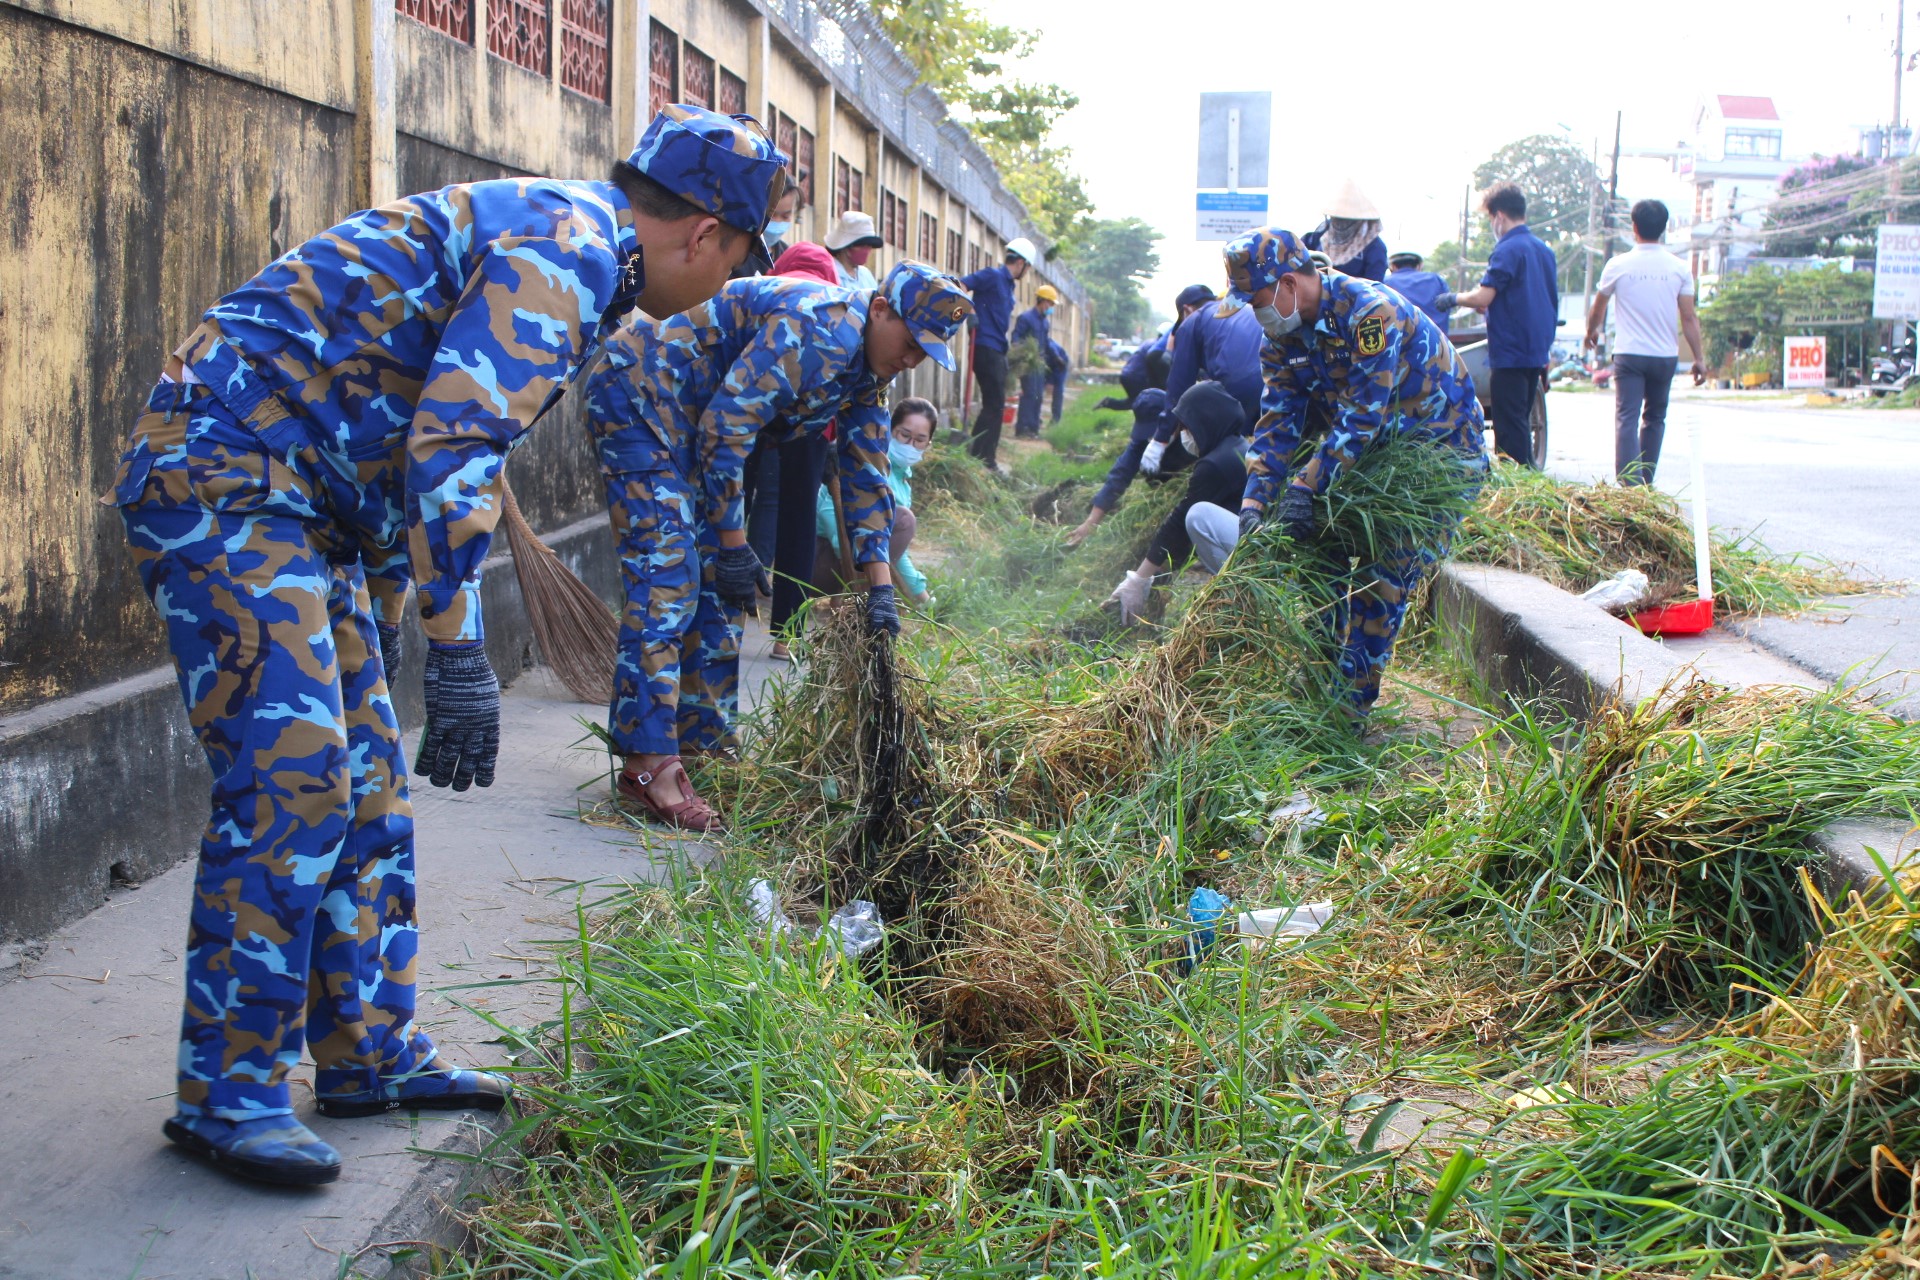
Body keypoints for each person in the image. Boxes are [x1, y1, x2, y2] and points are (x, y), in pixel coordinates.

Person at [109, 105, 787, 1186]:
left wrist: (392, 600)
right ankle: (224, 1091)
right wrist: (456, 648)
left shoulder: (577, 246)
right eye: (744, 254)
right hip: (224, 480)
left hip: (304, 505)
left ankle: (371, 1053)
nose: (731, 276)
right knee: (296, 783)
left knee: (370, 785)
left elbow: (395, 408)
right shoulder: (567, 252)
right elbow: (452, 444)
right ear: (706, 233)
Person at [584, 261, 972, 832]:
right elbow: (726, 429)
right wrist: (737, 544)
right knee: (669, 578)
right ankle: (646, 766)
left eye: (925, 354)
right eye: (912, 343)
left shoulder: (869, 369)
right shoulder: (820, 329)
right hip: (641, 400)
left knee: (719, 590)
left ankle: (705, 751)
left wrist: (881, 589)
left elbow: (867, 476)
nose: (912, 360)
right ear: (882, 310)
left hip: (695, 428)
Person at [1225, 227, 1487, 721]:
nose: (1254, 311)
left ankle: (1349, 712)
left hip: (1434, 455)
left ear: (1286, 283)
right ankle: (1320, 686)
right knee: (1315, 550)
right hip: (1365, 457)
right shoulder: (1279, 339)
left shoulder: (1368, 313)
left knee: (1383, 570)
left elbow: (1362, 414)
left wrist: (1304, 486)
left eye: (1256, 299)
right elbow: (1277, 422)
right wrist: (1255, 504)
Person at [740, 242, 844, 659]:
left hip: (748, 402)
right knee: (798, 518)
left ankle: (727, 620)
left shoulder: (762, 295)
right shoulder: (839, 313)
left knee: (733, 500)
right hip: (813, 418)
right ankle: (788, 636)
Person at [1102, 381, 1250, 622]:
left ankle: (1235, 591)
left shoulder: (1215, 465)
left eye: (1187, 427)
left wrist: (1139, 579)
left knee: (1197, 516)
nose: (1184, 434)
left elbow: (1179, 523)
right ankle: (1226, 589)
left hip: (1255, 554)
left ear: (1205, 421)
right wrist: (1158, 575)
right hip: (1250, 538)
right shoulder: (1234, 446)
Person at [1584, 199, 1707, 485]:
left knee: (1626, 416)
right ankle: (1645, 480)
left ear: (1634, 227)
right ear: (1663, 229)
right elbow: (1689, 317)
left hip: (1629, 355)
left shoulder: (1618, 265)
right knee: (1655, 417)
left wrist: (1592, 330)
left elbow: (1599, 305)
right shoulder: (1678, 268)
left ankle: (1630, 485)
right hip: (1664, 356)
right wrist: (1699, 358)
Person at [1435, 182, 1558, 466]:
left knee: (1509, 429)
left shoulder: (1508, 249)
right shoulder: (1543, 251)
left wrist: (1453, 298)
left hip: (1511, 352)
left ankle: (1517, 492)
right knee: (1521, 422)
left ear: (1499, 216)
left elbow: (1485, 295)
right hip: (1535, 352)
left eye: (1491, 219)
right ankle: (1529, 484)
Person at [815, 396, 938, 606]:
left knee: (894, 528)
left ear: (928, 444)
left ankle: (859, 594)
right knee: (903, 520)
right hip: (815, 561)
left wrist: (920, 594)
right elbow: (829, 512)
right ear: (889, 430)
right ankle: (855, 598)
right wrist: (859, 557)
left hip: (847, 560)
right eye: (905, 435)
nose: (910, 444)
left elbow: (896, 549)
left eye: (919, 440)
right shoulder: (869, 464)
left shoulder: (902, 481)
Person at [960, 236, 1039, 468]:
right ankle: (983, 458)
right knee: (994, 404)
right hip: (984, 346)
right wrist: (970, 312)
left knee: (995, 405)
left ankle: (981, 456)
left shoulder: (1009, 285)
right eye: (1028, 268)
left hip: (997, 349)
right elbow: (960, 285)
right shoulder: (993, 276)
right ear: (1022, 263)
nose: (1027, 272)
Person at [1065, 387, 1178, 547]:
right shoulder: (1142, 444)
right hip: (1168, 494)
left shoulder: (1191, 431)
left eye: (1154, 431)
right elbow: (1119, 475)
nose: (1151, 438)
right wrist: (1091, 522)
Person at [1302, 180, 1389, 281]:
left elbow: (1375, 286)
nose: (1340, 224)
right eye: (1336, 219)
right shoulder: (1315, 238)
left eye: (1347, 221)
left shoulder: (1374, 247)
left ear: (1359, 221)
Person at [1012, 283, 1061, 438]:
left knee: (1038, 395)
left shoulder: (1045, 322)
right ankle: (1022, 428)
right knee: (1029, 394)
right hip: (1028, 364)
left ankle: (1033, 428)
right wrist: (1023, 355)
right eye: (1050, 303)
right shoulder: (1026, 318)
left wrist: (1055, 356)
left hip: (1039, 364)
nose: (1051, 307)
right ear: (1043, 301)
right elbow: (1016, 339)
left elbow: (1045, 343)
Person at [1383, 250, 1453, 332]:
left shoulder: (1383, 283)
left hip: (1398, 342)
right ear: (1419, 266)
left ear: (1392, 267)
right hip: (1434, 341)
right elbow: (1447, 307)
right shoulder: (1436, 280)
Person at [824, 209, 883, 290]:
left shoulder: (865, 275)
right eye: (862, 246)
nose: (867, 251)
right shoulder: (829, 273)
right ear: (846, 246)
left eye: (869, 246)